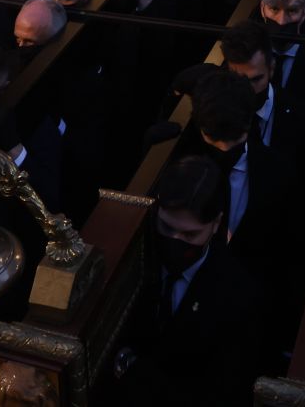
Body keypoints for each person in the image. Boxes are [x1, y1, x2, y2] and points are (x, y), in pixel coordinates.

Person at [112, 154, 264, 405]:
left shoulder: (239, 296)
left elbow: (224, 391)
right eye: (167, 228)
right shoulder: (136, 256)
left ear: (216, 224)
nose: (175, 241)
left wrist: (133, 369)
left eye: (190, 234)